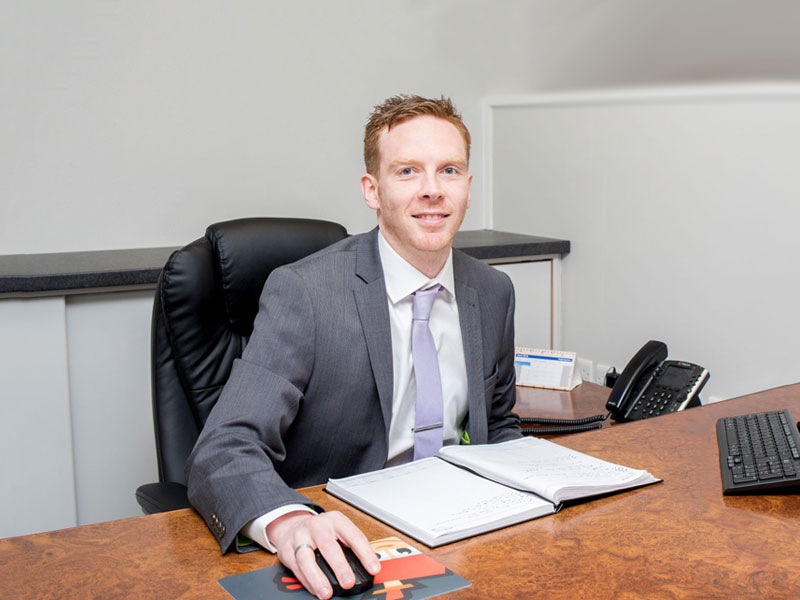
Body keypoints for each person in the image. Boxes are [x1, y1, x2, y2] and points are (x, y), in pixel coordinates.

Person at [186, 94, 521, 599]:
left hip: (464, 537)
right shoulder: (306, 292)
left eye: (449, 170)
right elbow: (224, 447)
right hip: (351, 543)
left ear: (468, 188)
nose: (433, 190)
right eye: (408, 171)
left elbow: (497, 425)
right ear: (372, 189)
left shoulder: (493, 292)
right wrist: (291, 522)